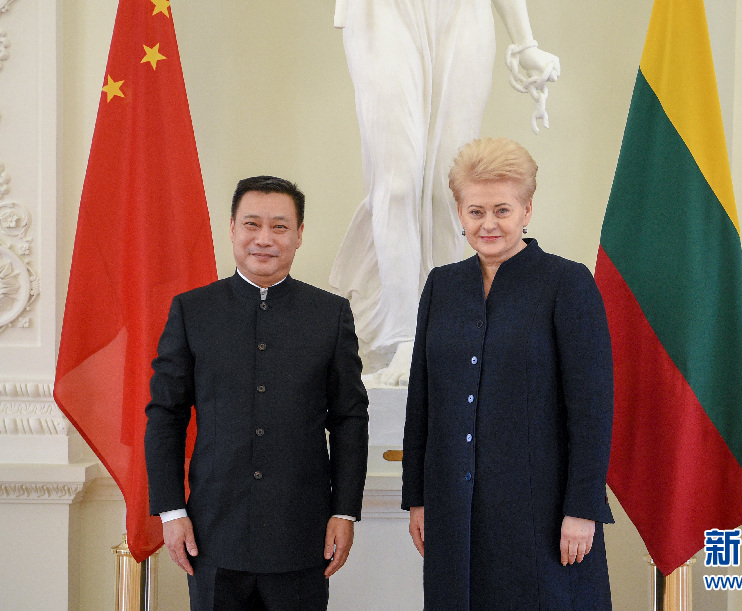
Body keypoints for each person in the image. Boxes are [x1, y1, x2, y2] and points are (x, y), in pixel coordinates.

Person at [402, 138, 614, 609]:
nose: (488, 224)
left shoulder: (567, 283)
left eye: (502, 210)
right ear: (460, 212)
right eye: (476, 211)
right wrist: (418, 498)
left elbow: (592, 409)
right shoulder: (441, 286)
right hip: (453, 510)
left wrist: (582, 509)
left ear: (526, 210)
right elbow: (422, 401)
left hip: (542, 513)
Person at [145, 176, 369, 610]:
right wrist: (171, 512)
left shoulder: (330, 314)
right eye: (252, 224)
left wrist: (344, 511)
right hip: (212, 532)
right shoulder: (192, 310)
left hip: (302, 533)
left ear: (299, 234)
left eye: (279, 227)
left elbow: (349, 419)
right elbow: (165, 415)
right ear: (232, 229)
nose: (264, 239)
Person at [330, 0, 561, 385]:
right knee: (397, 184)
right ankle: (405, 336)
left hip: (462, 12)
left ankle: (439, 333)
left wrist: (525, 43)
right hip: (384, 11)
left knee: (447, 187)